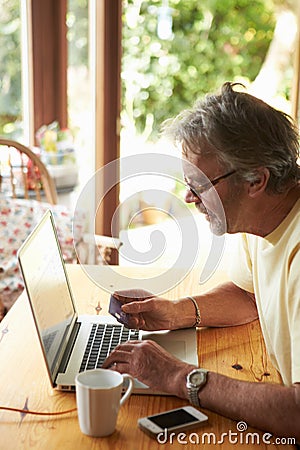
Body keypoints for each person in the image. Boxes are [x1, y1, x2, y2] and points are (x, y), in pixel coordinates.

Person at [103, 82, 300, 441]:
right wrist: (175, 312)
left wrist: (180, 377)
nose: (190, 197)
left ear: (256, 179)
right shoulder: (264, 220)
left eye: (199, 183)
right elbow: (248, 296)